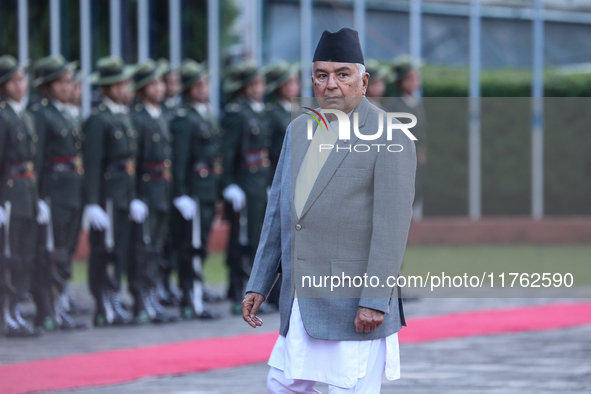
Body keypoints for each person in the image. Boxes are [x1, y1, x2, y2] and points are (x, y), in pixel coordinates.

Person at [241, 28, 416, 393]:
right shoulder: (299, 130)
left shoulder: (390, 135)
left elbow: (391, 228)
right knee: (282, 383)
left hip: (353, 305)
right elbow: (279, 214)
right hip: (302, 300)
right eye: (322, 75)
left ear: (363, 81)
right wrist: (259, 282)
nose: (331, 84)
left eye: (342, 74)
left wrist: (374, 301)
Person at [82, 56, 147, 327]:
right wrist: (91, 202)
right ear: (107, 88)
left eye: (126, 83)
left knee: (120, 250)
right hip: (107, 196)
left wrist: (133, 197)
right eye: (120, 84)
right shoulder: (99, 120)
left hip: (123, 195)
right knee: (104, 251)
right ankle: (103, 303)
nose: (126, 89)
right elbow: (93, 163)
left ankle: (114, 298)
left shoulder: (123, 117)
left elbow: (130, 164)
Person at [29, 55, 87, 330]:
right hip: (52, 191)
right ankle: (49, 308)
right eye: (61, 82)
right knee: (50, 253)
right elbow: (38, 158)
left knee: (64, 250)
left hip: (70, 191)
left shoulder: (63, 113)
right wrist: (38, 197)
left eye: (68, 82)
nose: (68, 87)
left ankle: (61, 303)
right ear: (48, 85)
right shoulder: (41, 114)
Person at [0, 55, 50, 337]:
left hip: (27, 194)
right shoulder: (3, 116)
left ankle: (16, 309)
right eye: (15, 80)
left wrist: (38, 198)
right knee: (10, 257)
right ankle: (7, 313)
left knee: (26, 255)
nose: (22, 85)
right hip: (8, 195)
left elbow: (36, 162)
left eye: (23, 79)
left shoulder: (26, 116)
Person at [169, 59, 223, 319]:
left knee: (200, 246)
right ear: (189, 89)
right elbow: (179, 160)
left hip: (207, 189)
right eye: (200, 84)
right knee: (190, 246)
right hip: (193, 190)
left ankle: (197, 296)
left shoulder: (206, 114)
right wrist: (180, 193)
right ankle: (192, 299)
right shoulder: (184, 119)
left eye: (206, 83)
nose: (205, 88)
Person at [220, 61, 274, 315]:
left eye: (260, 83)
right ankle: (239, 290)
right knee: (242, 240)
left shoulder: (260, 112)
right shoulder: (236, 113)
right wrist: (229, 183)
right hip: (243, 183)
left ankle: (252, 291)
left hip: (258, 182)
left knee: (257, 241)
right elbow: (227, 152)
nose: (259, 88)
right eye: (254, 84)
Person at [129, 59, 179, 324]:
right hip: (147, 191)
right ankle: (142, 300)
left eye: (161, 82)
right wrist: (136, 195)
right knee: (144, 248)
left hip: (162, 189)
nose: (160, 87)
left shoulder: (159, 115)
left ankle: (152, 296)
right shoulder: (137, 118)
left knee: (157, 247)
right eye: (154, 83)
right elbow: (134, 162)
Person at [263, 60, 300, 310]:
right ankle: (273, 292)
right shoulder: (272, 114)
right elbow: (267, 151)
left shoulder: (299, 110)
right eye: (288, 82)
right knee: (277, 238)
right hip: (278, 177)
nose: (293, 86)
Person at [390, 55, 427, 217]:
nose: (414, 83)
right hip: (400, 156)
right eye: (410, 79)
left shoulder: (416, 103)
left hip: (416, 157)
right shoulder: (393, 105)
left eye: (416, 79)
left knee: (417, 188)